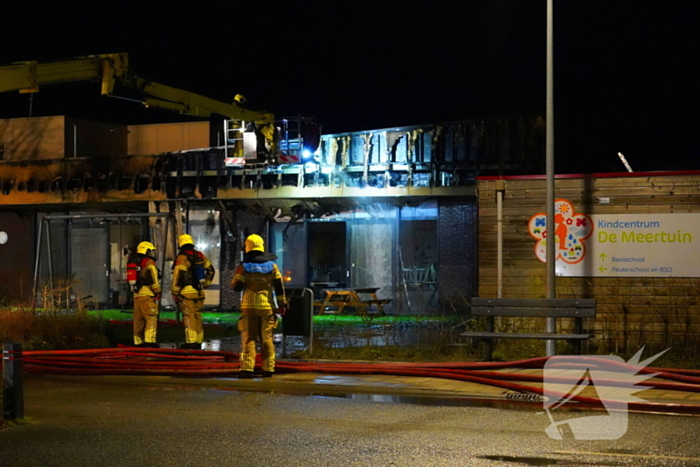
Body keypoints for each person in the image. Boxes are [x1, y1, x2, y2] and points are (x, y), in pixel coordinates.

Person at [231, 234, 287, 378]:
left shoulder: (244, 266)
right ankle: (268, 369)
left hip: (248, 307)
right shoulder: (272, 266)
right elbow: (279, 288)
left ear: (247, 248)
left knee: (249, 338)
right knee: (267, 338)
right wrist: (282, 304)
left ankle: (247, 369)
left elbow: (236, 287)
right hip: (266, 307)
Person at [171, 234, 215, 349]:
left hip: (187, 292)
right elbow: (211, 270)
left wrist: (175, 291)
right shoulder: (200, 255)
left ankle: (191, 342)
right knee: (197, 316)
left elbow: (178, 275)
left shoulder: (182, 258)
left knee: (189, 316)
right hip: (199, 292)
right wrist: (206, 284)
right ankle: (199, 340)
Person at [132, 241, 161, 347]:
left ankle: (138, 342)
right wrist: (157, 291)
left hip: (137, 294)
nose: (151, 253)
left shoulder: (134, 261)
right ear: (146, 250)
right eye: (150, 251)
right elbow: (153, 277)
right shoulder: (148, 262)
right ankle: (150, 341)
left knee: (138, 320)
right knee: (151, 318)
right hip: (148, 293)